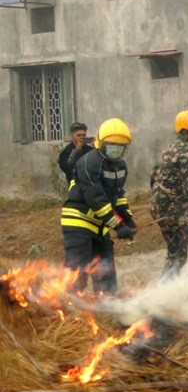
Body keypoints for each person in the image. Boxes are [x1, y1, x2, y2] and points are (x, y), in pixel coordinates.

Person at [60, 118, 136, 295]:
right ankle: (68, 306)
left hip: (100, 224)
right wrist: (117, 225)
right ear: (101, 143)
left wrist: (127, 218)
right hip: (79, 222)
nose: (116, 148)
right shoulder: (89, 162)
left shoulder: (120, 165)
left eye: (120, 145)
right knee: (78, 268)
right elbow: (96, 198)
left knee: (105, 268)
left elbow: (118, 195)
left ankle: (107, 307)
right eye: (111, 144)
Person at [150, 110, 188, 281]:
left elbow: (154, 174)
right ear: (185, 132)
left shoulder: (172, 148)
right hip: (174, 208)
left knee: (177, 253)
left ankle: (166, 292)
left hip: (158, 206)